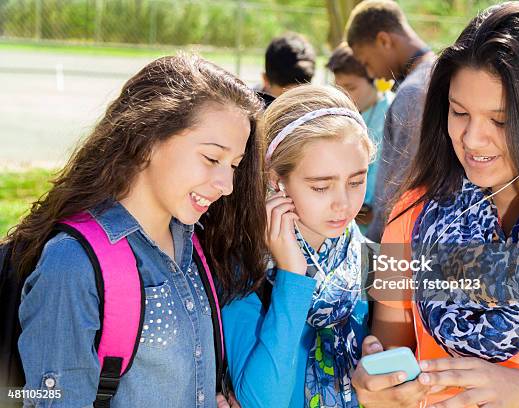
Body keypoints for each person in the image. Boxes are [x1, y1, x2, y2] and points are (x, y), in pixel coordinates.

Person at [351, 2, 519, 407]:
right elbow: (387, 355)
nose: (472, 139)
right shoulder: (411, 214)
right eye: (459, 112)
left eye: (501, 120)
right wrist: (376, 387)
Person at [9, 54, 268, 407]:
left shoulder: (195, 241)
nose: (227, 185)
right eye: (211, 158)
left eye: (234, 165)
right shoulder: (71, 265)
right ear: (146, 138)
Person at [223, 85, 376, 407]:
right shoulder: (242, 269)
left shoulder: (378, 262)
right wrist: (293, 276)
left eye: (356, 181)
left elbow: (506, 279)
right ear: (276, 179)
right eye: (321, 186)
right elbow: (261, 402)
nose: (344, 204)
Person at [345, 0, 435, 242]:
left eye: (365, 61)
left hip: (400, 241)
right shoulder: (436, 75)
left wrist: (377, 246)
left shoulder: (414, 93)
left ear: (384, 40)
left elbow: (400, 186)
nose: (372, 73)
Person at [326, 42, 393, 234]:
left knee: (385, 263)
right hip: (347, 223)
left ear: (374, 78)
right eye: (338, 88)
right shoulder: (342, 114)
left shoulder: (394, 112)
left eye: (350, 87)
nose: (344, 96)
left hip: (383, 229)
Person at [256, 33, 317, 108]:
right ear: (265, 80)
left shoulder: (318, 110)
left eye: (300, 96)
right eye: (284, 97)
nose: (292, 107)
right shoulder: (248, 112)